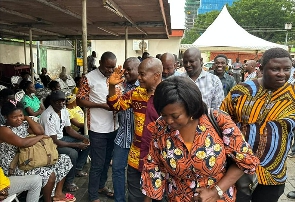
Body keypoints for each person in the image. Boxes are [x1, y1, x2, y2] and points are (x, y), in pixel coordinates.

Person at [140, 76, 259, 202]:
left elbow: (245, 160)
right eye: (164, 115)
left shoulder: (218, 120)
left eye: (175, 116)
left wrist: (216, 191)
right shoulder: (161, 126)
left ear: (191, 109)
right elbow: (154, 163)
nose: (169, 121)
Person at [220, 48, 295, 202]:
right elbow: (222, 123)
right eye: (275, 69)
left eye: (287, 69)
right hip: (239, 170)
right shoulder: (240, 91)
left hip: (273, 174)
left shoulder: (293, 95)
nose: (282, 74)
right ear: (261, 69)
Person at [107, 57, 163, 202]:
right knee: (134, 197)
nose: (139, 78)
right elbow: (116, 105)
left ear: (156, 75)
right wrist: (112, 87)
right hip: (136, 159)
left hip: (160, 162)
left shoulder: (168, 96)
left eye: (142, 74)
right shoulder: (136, 94)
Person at [0, 100, 74, 202]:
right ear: (5, 117)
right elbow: (22, 143)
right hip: (16, 166)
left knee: (64, 159)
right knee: (49, 173)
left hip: (32, 158)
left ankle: (57, 193)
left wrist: (27, 118)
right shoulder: (3, 130)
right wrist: (40, 137)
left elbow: (40, 131)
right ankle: (48, 200)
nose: (19, 119)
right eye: (14, 117)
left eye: (20, 115)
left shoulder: (24, 124)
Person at [76, 51, 118, 202]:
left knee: (107, 161)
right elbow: (80, 100)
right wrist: (100, 105)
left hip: (114, 127)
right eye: (108, 67)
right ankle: (93, 195)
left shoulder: (114, 77)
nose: (110, 71)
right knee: (97, 164)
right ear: (100, 63)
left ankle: (101, 186)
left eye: (113, 68)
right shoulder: (88, 78)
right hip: (98, 128)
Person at [39, 90, 90, 193]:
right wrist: (76, 144)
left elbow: (69, 130)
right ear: (52, 102)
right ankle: (69, 182)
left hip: (61, 139)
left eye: (63, 101)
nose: (61, 103)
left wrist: (82, 138)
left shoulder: (64, 111)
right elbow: (54, 141)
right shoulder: (48, 115)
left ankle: (77, 168)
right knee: (72, 153)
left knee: (88, 140)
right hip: (50, 144)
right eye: (57, 101)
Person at [111, 57, 140, 202]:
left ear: (138, 70)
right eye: (125, 69)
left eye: (129, 69)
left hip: (139, 141)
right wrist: (112, 87)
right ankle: (119, 199)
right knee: (117, 170)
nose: (126, 73)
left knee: (136, 173)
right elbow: (113, 105)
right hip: (123, 136)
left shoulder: (144, 87)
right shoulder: (120, 86)